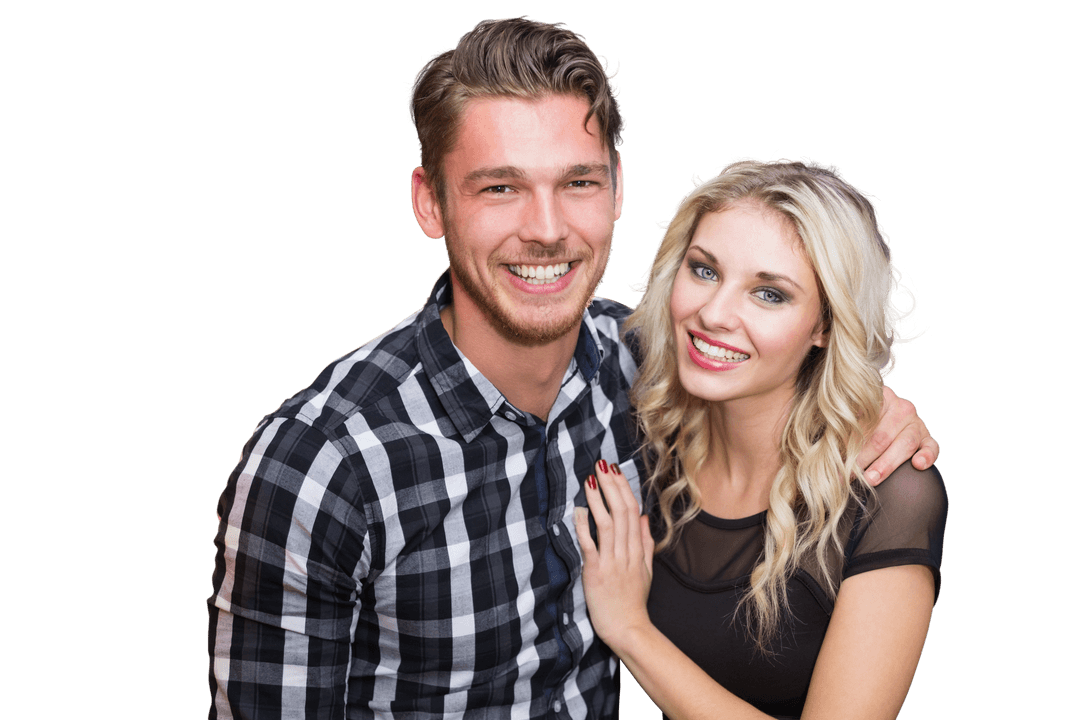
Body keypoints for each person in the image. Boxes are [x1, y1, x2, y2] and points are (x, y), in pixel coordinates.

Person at [208, 19, 940, 719]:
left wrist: (869, 403)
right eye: (500, 187)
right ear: (431, 203)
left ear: (617, 188)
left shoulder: (639, 367)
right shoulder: (324, 465)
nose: (548, 229)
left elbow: (763, 365)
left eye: (578, 183)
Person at [574, 158, 948, 719]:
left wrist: (630, 630)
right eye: (704, 270)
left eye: (769, 294)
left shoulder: (889, 495)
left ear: (825, 325)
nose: (714, 314)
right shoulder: (643, 398)